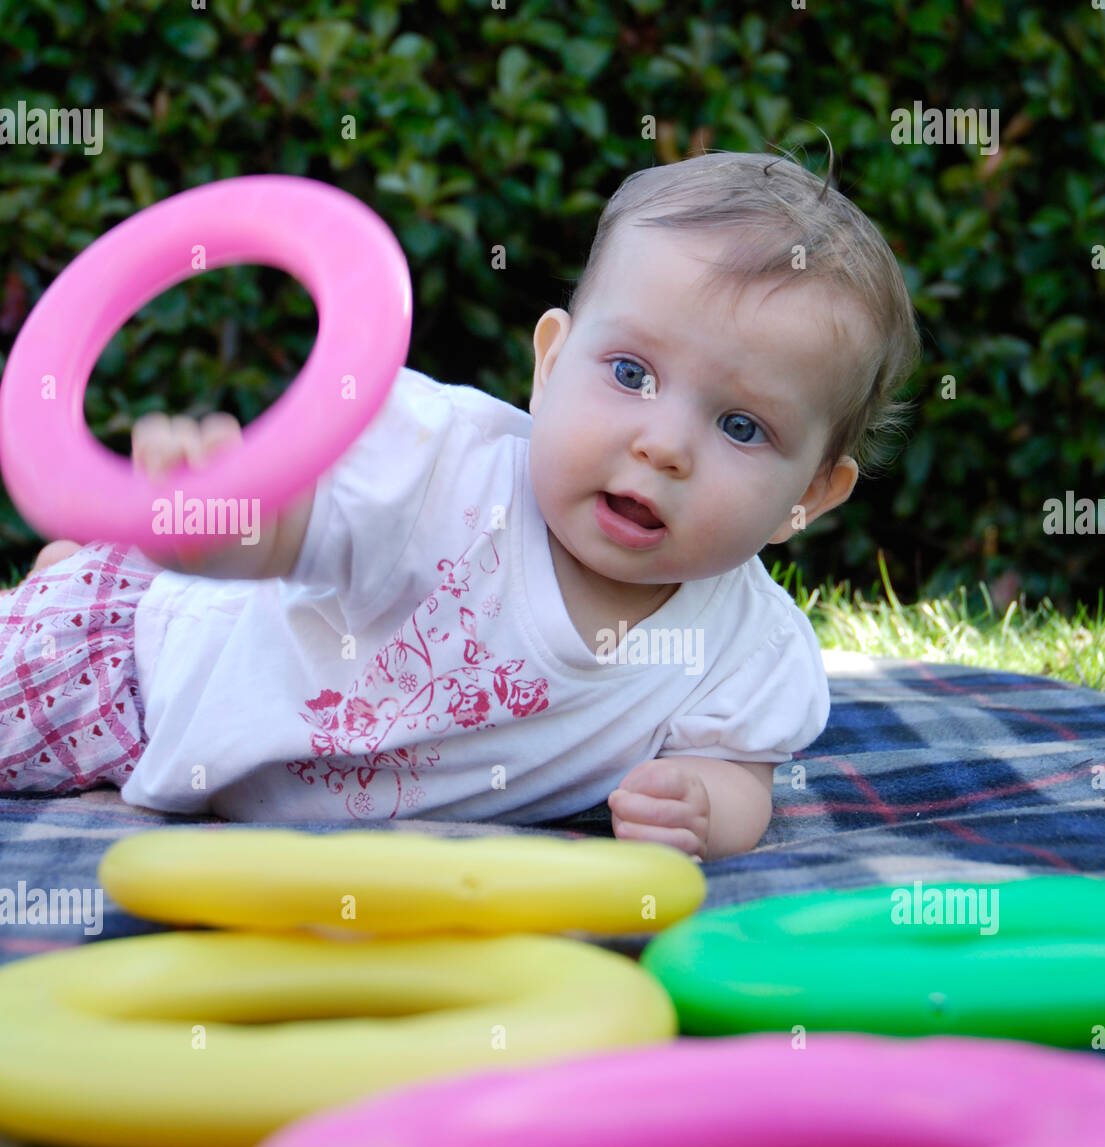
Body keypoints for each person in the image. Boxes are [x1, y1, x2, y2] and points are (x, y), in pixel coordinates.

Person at [0, 151, 920, 860]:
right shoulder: (440, 465)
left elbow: (739, 771)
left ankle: (78, 562)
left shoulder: (748, 649)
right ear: (552, 361)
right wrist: (210, 524)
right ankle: (84, 574)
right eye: (632, 373)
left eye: (742, 426)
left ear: (812, 493)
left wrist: (706, 806)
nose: (666, 446)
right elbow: (287, 532)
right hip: (138, 676)